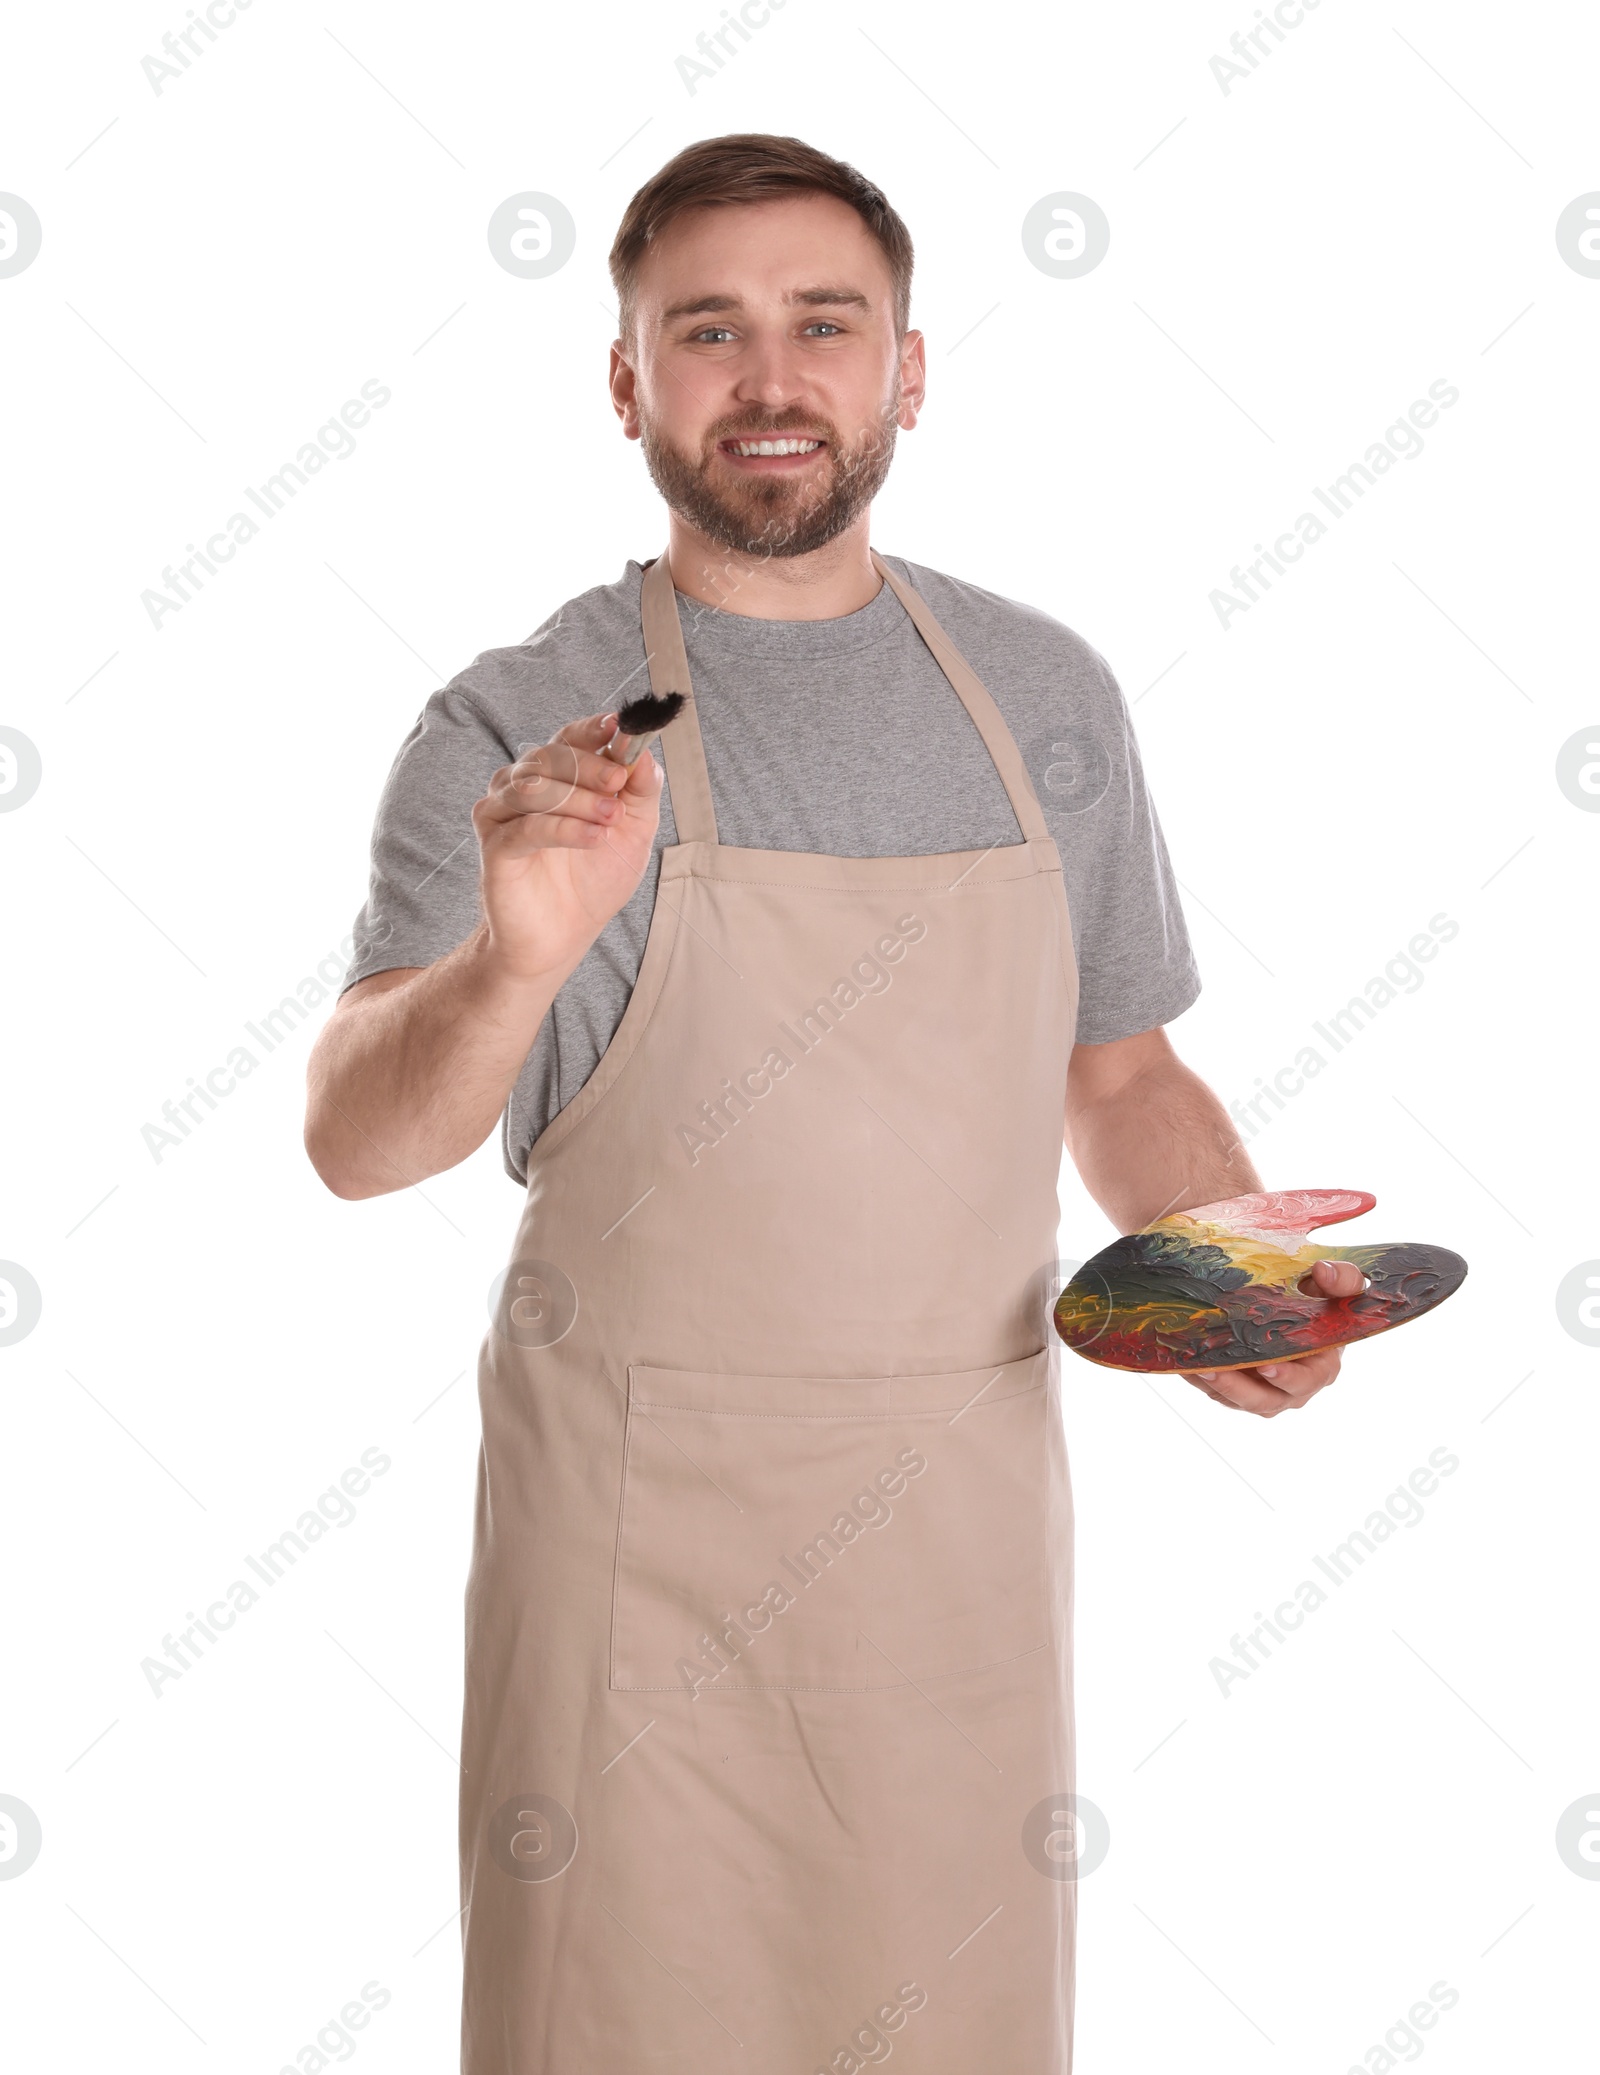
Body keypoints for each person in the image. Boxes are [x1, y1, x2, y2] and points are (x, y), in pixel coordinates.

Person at [304, 131, 1361, 2075]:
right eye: (706, 332)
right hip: (628, 1565)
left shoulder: (1040, 696)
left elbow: (1115, 1066)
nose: (768, 378)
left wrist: (1218, 1277)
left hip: (945, 1559)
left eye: (822, 325)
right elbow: (361, 1142)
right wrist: (511, 956)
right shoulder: (517, 721)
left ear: (905, 370)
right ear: (625, 378)